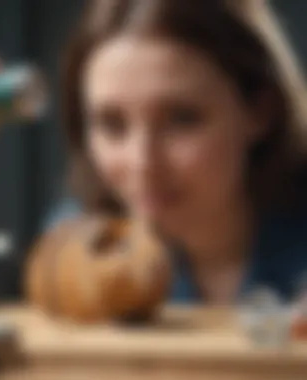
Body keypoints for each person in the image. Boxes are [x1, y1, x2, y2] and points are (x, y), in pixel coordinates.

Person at [35, 0, 307, 305]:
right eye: (112, 125)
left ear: (260, 112)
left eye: (181, 119)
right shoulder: (76, 247)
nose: (143, 164)